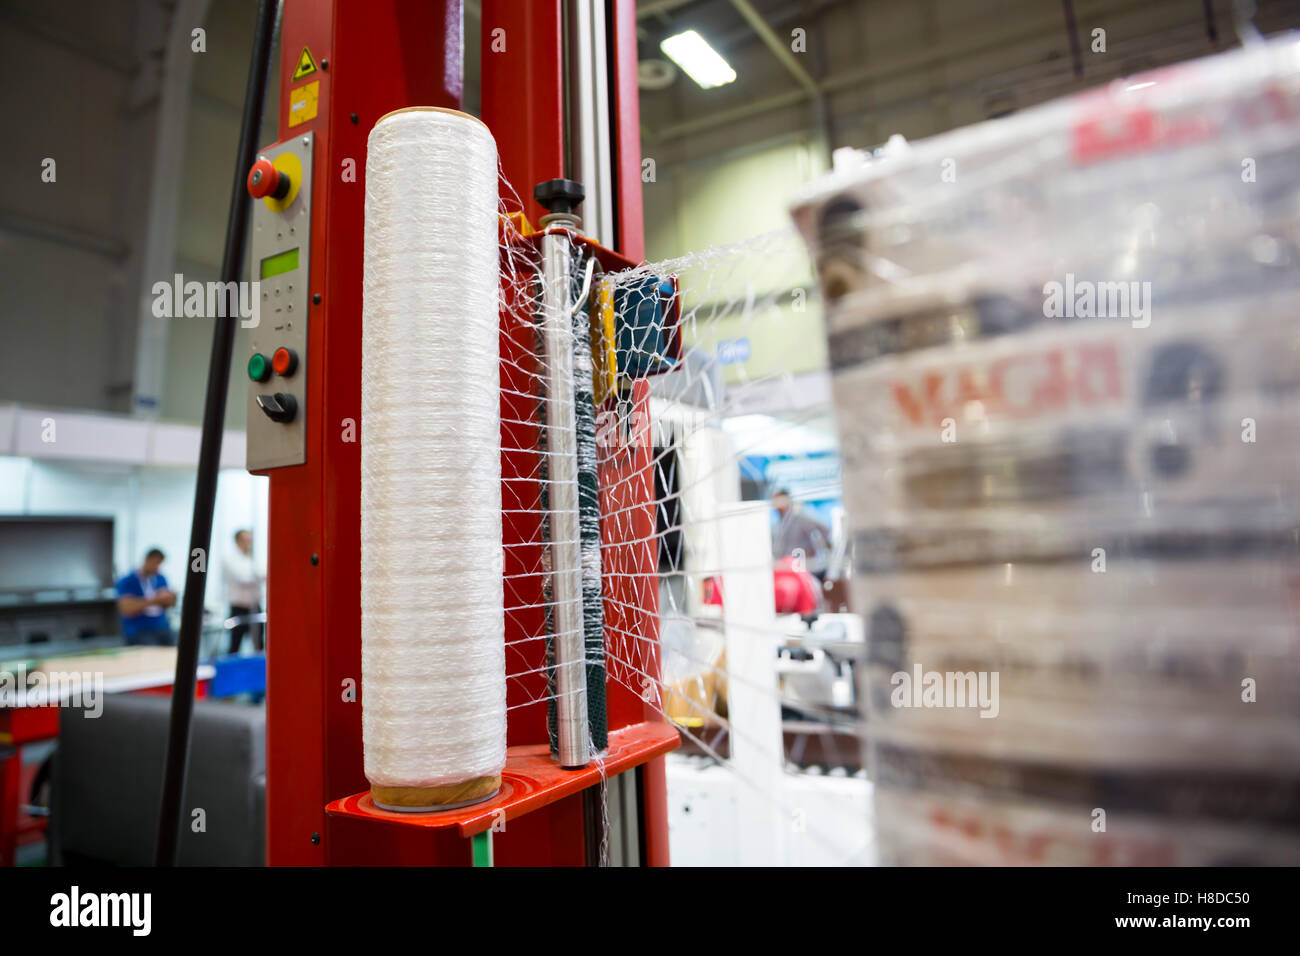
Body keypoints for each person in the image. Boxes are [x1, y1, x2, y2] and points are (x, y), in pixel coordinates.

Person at [116, 548, 177, 646]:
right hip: (139, 630)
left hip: (162, 627)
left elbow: (169, 605)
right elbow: (125, 608)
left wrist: (171, 598)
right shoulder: (127, 580)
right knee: (152, 651)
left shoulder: (161, 579)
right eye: (155, 563)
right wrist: (155, 600)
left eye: (159, 564)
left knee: (178, 649)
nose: (157, 568)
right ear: (147, 560)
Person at [770, 488, 832, 581]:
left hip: (802, 567)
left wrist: (814, 549)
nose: (775, 506)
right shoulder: (779, 523)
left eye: (778, 502)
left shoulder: (801, 516)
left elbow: (825, 529)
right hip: (786, 568)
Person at [224, 529, 265, 654]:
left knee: (259, 645)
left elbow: (266, 574)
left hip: (255, 606)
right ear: (237, 541)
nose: (248, 542)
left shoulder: (255, 559)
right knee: (235, 645)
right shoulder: (229, 560)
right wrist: (258, 577)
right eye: (245, 540)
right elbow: (244, 578)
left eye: (250, 540)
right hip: (238, 608)